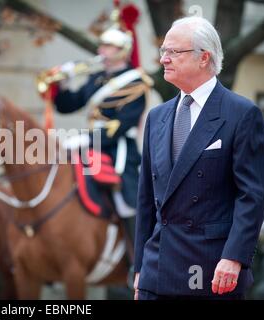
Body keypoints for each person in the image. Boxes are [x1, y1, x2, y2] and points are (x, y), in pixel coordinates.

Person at [134, 16, 264, 300]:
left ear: (203, 57)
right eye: (163, 52)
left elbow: (252, 195)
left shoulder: (241, 114)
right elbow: (147, 198)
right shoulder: (157, 117)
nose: (164, 60)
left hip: (212, 271)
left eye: (173, 52)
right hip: (156, 272)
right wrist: (139, 270)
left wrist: (235, 257)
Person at [50, 26, 152, 246]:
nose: (102, 50)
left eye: (108, 46)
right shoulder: (96, 77)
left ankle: (138, 257)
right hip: (91, 142)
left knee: (126, 198)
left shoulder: (136, 83)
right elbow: (68, 106)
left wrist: (88, 139)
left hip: (119, 146)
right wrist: (64, 84)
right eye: (102, 45)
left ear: (122, 50)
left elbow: (123, 124)